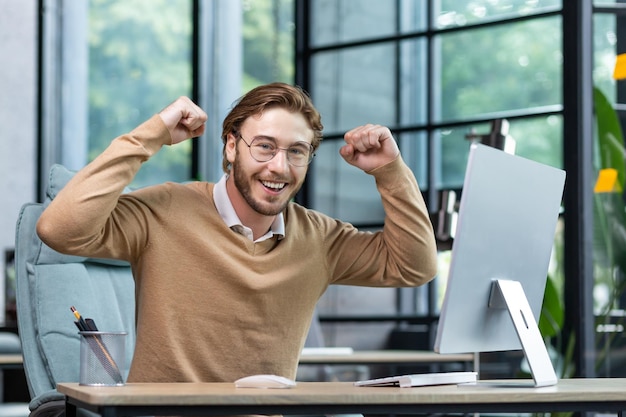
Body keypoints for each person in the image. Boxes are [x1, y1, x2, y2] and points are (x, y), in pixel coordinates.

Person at [37, 82, 438, 383]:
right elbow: (58, 230)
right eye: (264, 146)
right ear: (231, 146)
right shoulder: (166, 210)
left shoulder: (320, 239)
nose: (279, 167)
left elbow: (415, 267)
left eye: (296, 151)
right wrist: (152, 135)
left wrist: (390, 170)